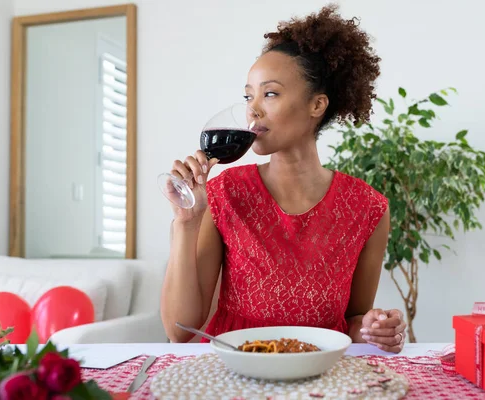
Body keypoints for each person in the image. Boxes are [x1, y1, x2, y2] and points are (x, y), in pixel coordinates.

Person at [161, 4, 407, 353]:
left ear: (317, 105)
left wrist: (371, 327)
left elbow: (353, 320)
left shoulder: (369, 208)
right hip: (237, 369)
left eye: (270, 93)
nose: (253, 109)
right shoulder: (224, 193)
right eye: (249, 96)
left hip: (322, 373)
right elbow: (179, 331)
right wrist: (186, 221)